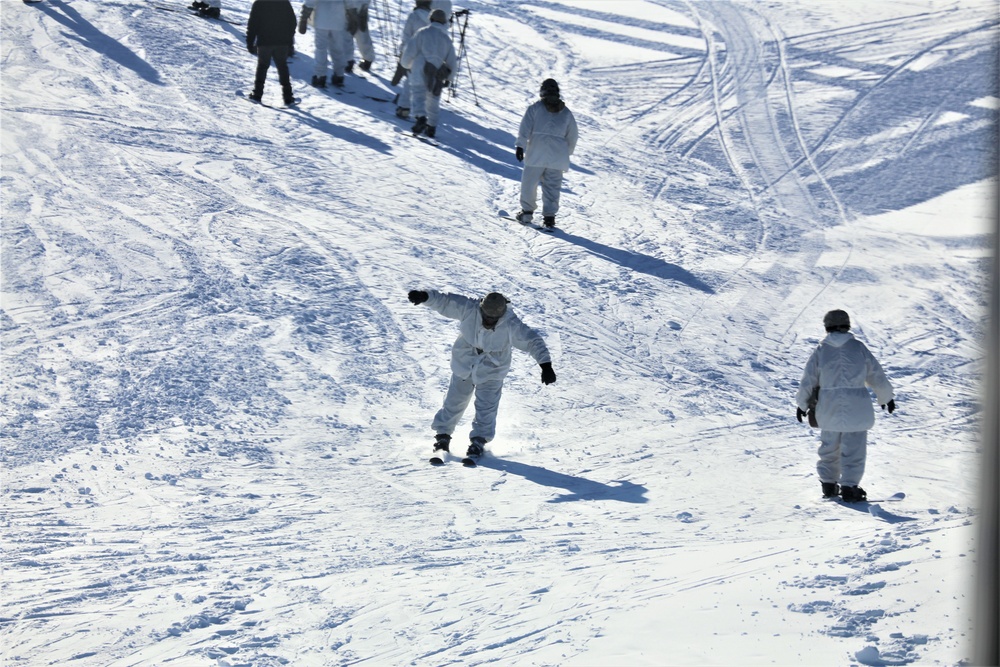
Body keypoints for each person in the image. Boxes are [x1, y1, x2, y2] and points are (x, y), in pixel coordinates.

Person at [407, 289, 556, 462]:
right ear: (482, 310)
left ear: (501, 315)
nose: (489, 320)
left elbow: (532, 341)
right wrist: (426, 297)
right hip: (465, 362)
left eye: (493, 319)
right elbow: (446, 302)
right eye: (486, 316)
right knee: (454, 402)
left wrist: (545, 365)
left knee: (486, 406)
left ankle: (479, 440)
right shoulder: (470, 308)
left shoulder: (511, 323)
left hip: (493, 369)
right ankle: (442, 436)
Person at [795, 309, 896, 502]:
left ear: (827, 327)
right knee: (854, 449)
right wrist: (886, 397)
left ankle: (829, 484)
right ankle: (850, 487)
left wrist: (802, 403)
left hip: (828, 407)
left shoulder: (821, 350)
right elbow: (876, 374)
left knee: (829, 447)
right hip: (856, 407)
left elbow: (808, 379)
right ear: (848, 325)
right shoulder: (858, 348)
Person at [515, 78, 579, 229]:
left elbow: (525, 129)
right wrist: (566, 153)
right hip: (558, 157)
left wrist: (520, 146)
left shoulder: (535, 108)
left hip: (536, 154)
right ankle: (549, 217)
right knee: (552, 187)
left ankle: (527, 213)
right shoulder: (566, 113)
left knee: (529, 184)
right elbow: (573, 136)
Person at [400, 9, 458, 138]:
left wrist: (405, 64)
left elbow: (410, 50)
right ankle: (431, 127)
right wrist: (449, 77)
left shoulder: (422, 32)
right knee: (433, 99)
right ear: (444, 22)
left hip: (420, 68)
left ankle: (420, 118)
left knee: (418, 95)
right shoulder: (446, 39)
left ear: (431, 19)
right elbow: (452, 61)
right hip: (437, 72)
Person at [246, 0, 296, 106]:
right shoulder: (284, 2)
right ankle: (288, 97)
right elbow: (292, 22)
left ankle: (257, 94)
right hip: (282, 42)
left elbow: (252, 24)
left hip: (264, 42)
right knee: (282, 67)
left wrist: (250, 42)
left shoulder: (259, 3)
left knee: (262, 67)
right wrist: (289, 40)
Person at [393, 0, 432, 119]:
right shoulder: (434, 19)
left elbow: (407, 36)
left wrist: (402, 54)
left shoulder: (414, 16)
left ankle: (404, 108)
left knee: (410, 81)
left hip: (414, 53)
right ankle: (426, 111)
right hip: (431, 55)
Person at [299, 0, 348, 88]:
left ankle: (320, 76)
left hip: (322, 19)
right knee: (338, 48)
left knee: (321, 49)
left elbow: (310, 1)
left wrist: (304, 17)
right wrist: (353, 14)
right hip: (338, 19)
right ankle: (339, 75)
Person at [344, 0, 375, 73]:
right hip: (362, 4)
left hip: (348, 6)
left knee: (347, 31)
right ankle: (368, 59)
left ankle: (348, 60)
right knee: (361, 29)